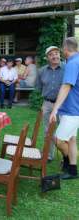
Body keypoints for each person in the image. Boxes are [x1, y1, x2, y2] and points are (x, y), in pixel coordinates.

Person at [50, 37, 79, 179]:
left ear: (65, 49)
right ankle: (73, 170)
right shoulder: (76, 61)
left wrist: (55, 109)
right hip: (75, 108)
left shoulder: (73, 63)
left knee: (57, 139)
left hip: (71, 110)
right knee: (72, 139)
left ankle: (67, 161)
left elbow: (67, 86)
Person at [37, 46, 64, 161]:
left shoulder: (67, 68)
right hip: (47, 104)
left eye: (56, 53)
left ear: (59, 55)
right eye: (51, 54)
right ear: (47, 57)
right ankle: (48, 155)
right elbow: (39, 87)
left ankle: (66, 157)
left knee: (64, 132)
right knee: (48, 131)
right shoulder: (41, 71)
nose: (55, 56)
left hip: (64, 105)